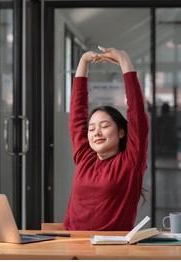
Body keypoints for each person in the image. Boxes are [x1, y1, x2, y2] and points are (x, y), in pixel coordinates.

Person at [63, 46, 149, 231]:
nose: (96, 132)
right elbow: (77, 115)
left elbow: (137, 115)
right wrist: (83, 62)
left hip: (111, 248)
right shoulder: (85, 157)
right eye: (92, 128)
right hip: (72, 246)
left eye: (104, 126)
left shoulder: (131, 162)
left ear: (121, 132)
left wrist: (124, 59)